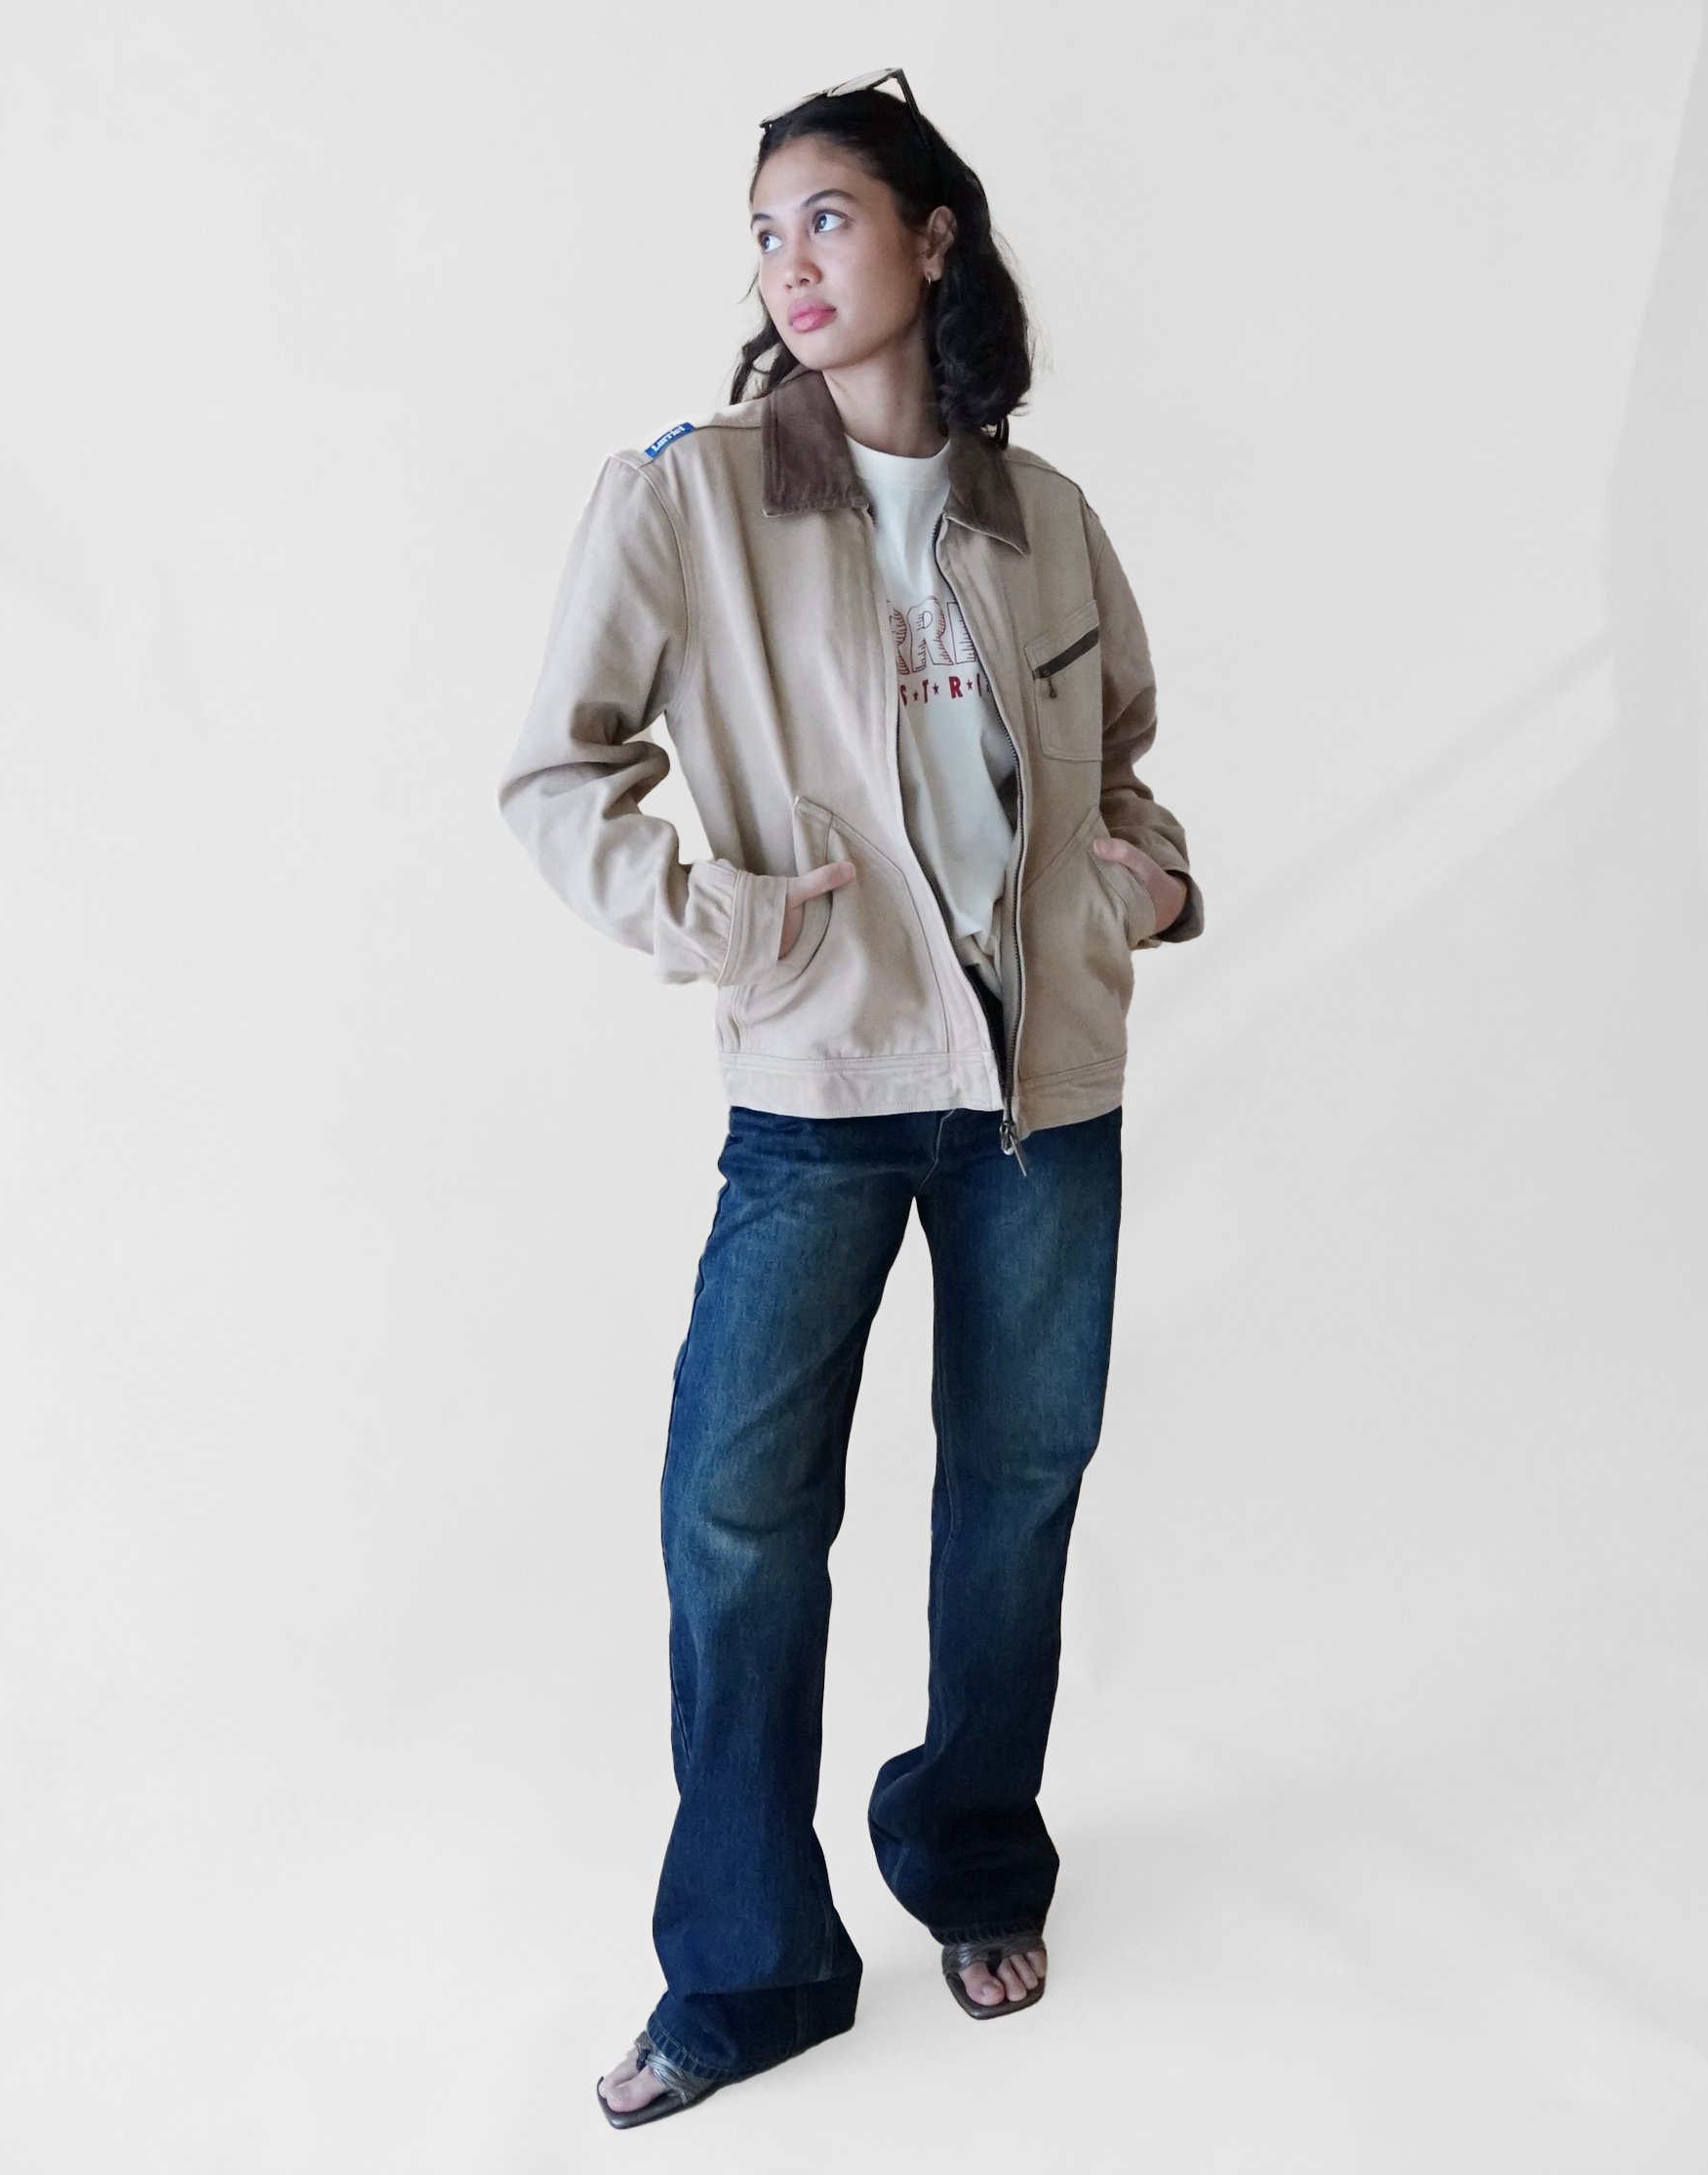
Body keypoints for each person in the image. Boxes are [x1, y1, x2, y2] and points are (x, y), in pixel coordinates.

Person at [497, 67, 1202, 2131]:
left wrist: (1144, 880)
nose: (787, 263)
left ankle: (970, 1848)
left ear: (929, 236)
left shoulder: (1041, 513)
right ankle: (750, 1963)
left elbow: (1123, 754)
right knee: (735, 1514)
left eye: (825, 217)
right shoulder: (691, 496)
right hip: (819, 1080)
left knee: (1019, 1485)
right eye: (763, 233)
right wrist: (717, 919)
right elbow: (554, 774)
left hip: (1041, 1088)